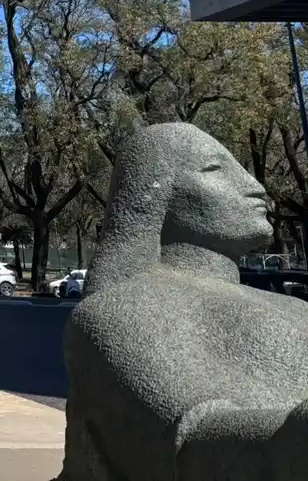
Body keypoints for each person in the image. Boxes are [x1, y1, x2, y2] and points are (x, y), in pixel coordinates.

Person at [59, 122, 308, 480]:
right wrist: (290, 442)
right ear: (153, 194)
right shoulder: (116, 312)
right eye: (213, 170)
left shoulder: (297, 308)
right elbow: (187, 444)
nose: (255, 187)